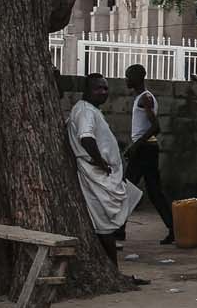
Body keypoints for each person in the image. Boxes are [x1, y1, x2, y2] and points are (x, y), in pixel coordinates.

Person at [66, 73, 142, 264]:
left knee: (127, 199)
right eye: (98, 88)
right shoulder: (85, 112)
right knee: (105, 225)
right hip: (96, 175)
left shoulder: (90, 110)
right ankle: (112, 268)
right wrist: (101, 162)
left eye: (105, 88)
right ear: (87, 90)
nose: (103, 92)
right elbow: (86, 138)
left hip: (105, 175)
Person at [121, 63, 176, 245]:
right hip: (146, 149)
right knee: (154, 192)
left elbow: (156, 127)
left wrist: (135, 146)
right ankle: (173, 228)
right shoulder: (143, 97)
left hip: (145, 150)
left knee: (126, 188)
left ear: (138, 77)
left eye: (129, 76)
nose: (126, 79)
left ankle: (118, 229)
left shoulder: (145, 98)